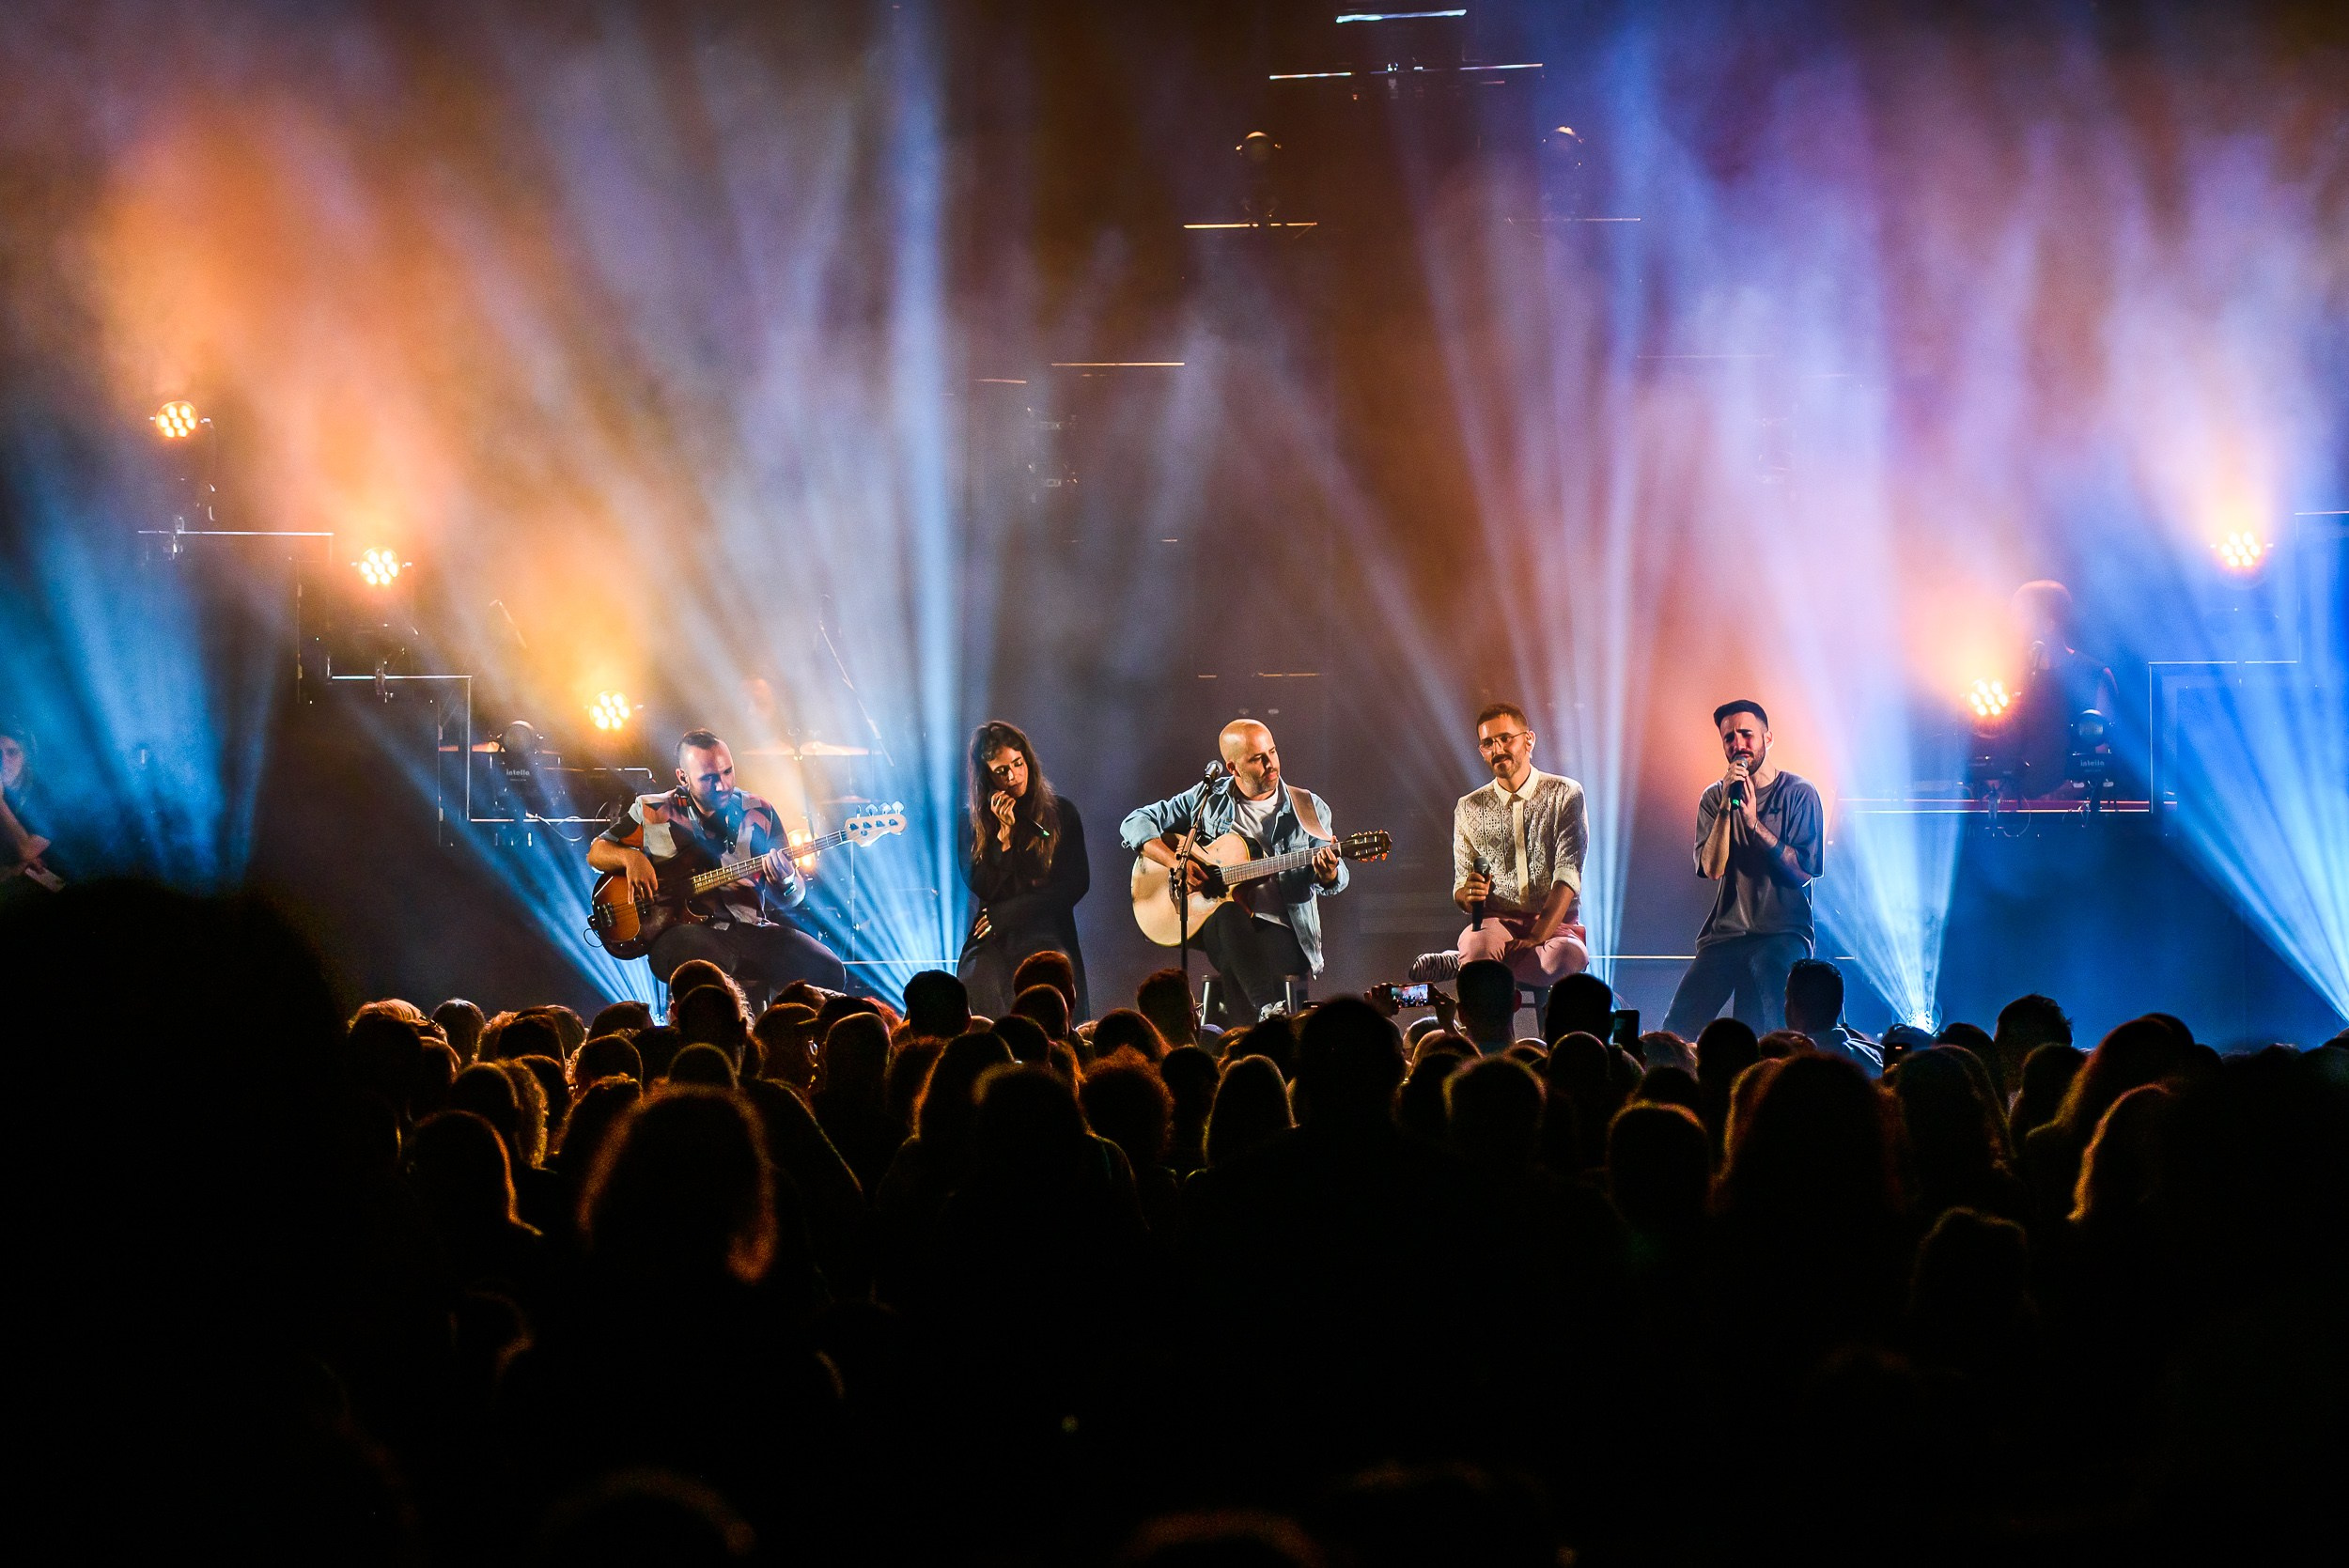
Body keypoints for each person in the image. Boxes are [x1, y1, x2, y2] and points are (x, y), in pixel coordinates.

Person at [587, 727, 847, 1002]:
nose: (722, 785)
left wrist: (786, 881)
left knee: (829, 970)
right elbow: (597, 852)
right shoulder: (653, 809)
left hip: (753, 929)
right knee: (702, 969)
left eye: (727, 772)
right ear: (683, 777)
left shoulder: (759, 811)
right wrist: (632, 858)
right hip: (686, 933)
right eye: (709, 778)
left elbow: (794, 898)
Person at [1120, 719, 1346, 1022]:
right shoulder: (1208, 799)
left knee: (1235, 961)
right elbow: (1134, 822)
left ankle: (1252, 1028)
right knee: (1227, 916)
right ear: (1232, 768)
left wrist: (1328, 872)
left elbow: (1335, 880)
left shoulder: (1308, 807)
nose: (1270, 763)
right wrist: (1177, 862)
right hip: (1225, 924)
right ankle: (1268, 1017)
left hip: (1285, 930)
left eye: (1273, 752)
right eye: (1257, 758)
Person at [1661, 701, 1825, 1038]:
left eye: (1746, 735)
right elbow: (1712, 868)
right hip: (1726, 934)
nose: (1738, 744)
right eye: (1729, 738)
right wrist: (1726, 807)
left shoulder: (1799, 794)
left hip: (1782, 932)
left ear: (1768, 739)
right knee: (1675, 1028)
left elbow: (1802, 873)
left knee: (1780, 1026)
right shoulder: (1713, 798)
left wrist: (1752, 824)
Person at [1412, 702, 1588, 987]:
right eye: (1488, 743)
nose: (1497, 749)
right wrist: (1468, 895)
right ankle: (1473, 958)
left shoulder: (1565, 794)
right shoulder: (1468, 807)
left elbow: (1567, 875)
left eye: (1506, 738)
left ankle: (1462, 961)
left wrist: (1537, 936)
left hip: (1556, 926)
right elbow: (1460, 888)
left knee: (1566, 958)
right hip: (1497, 925)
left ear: (1529, 740)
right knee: (1480, 946)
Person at [957, 721, 1090, 1018]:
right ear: (987, 779)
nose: (1014, 776)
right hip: (995, 934)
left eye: (1018, 764)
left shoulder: (1061, 811)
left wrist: (1010, 913)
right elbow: (983, 887)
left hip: (1045, 928)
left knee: (1048, 982)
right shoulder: (971, 821)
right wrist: (1001, 840)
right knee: (976, 976)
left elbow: (1075, 885)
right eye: (1001, 772)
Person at [2004, 580, 2119, 799]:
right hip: (2022, 811)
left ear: (2049, 622)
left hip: (2075, 816)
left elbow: (2105, 759)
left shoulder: (2095, 675)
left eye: (2022, 616)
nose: (2015, 625)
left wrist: (2073, 792)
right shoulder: (2016, 678)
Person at [1781, 959, 1883, 1078]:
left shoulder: (1782, 1068)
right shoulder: (1876, 1059)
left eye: (1787, 997)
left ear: (1794, 1006)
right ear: (1840, 1004)